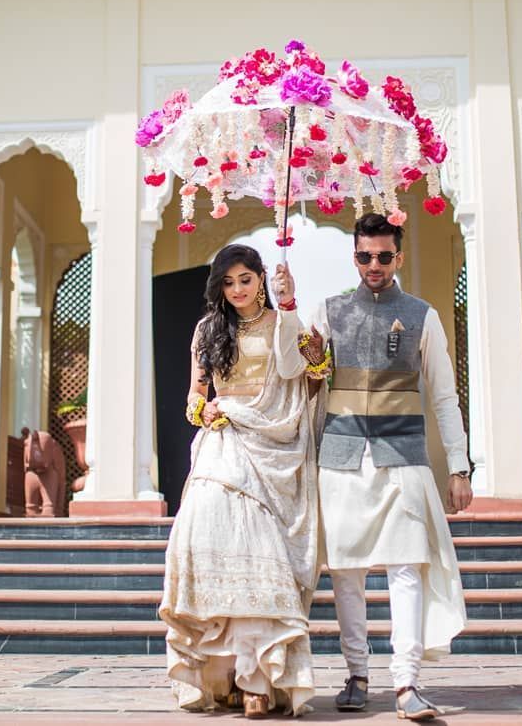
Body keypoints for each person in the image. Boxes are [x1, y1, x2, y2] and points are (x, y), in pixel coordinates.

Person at [310, 213, 473, 722]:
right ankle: (357, 675)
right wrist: (291, 309)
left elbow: (444, 396)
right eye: (364, 256)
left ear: (398, 257)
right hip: (339, 458)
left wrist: (460, 466)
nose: (374, 265)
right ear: (354, 257)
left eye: (383, 256)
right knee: (347, 575)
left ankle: (406, 683)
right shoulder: (328, 312)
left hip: (402, 456)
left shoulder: (422, 315)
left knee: (407, 570)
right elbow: (305, 380)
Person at [159, 244, 321, 718]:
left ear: (262, 278)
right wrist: (201, 408)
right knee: (202, 537)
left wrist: (289, 304)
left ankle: (257, 680)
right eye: (228, 283)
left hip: (273, 442)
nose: (237, 291)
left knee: (258, 554)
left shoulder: (281, 323)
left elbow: (305, 371)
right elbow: (194, 392)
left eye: (246, 280)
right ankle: (213, 674)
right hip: (222, 440)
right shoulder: (208, 329)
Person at [22, 427, 65, 517]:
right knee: (30, 508)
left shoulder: (53, 475)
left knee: (48, 507)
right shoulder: (29, 475)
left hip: (48, 475)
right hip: (31, 474)